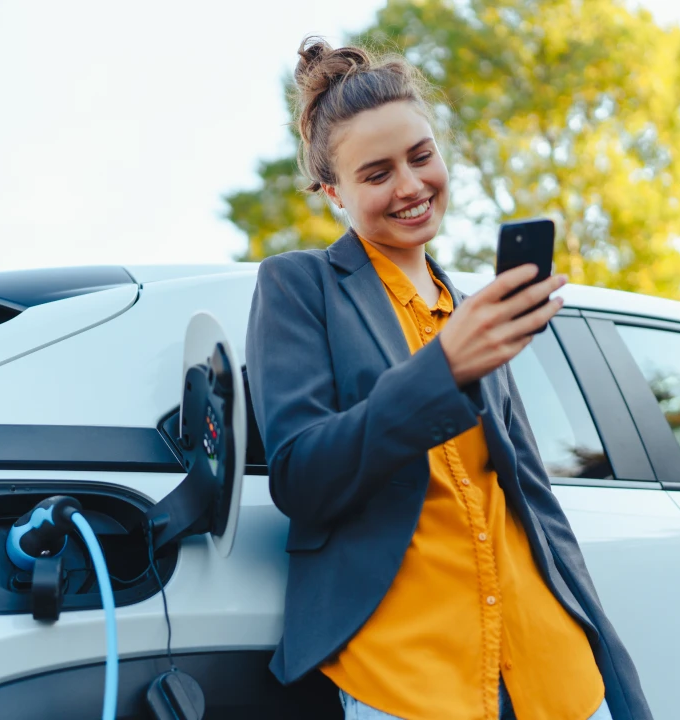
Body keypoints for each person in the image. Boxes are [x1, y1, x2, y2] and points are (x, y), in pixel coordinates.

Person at [244, 37, 652, 720]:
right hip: (411, 680)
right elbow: (299, 475)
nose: (409, 186)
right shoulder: (299, 286)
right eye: (375, 174)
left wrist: (619, 682)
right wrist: (443, 370)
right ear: (331, 192)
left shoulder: (469, 311)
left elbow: (537, 507)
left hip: (551, 671)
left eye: (421, 156)